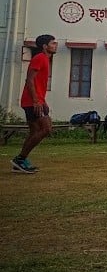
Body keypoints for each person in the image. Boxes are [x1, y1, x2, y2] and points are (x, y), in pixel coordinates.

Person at [11, 34, 58, 173]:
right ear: (45, 46)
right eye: (53, 43)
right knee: (46, 129)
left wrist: (43, 100)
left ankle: (20, 162)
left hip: (35, 101)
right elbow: (29, 80)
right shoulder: (39, 58)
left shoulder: (45, 59)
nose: (55, 45)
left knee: (35, 131)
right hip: (32, 101)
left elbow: (38, 83)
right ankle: (20, 159)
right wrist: (36, 100)